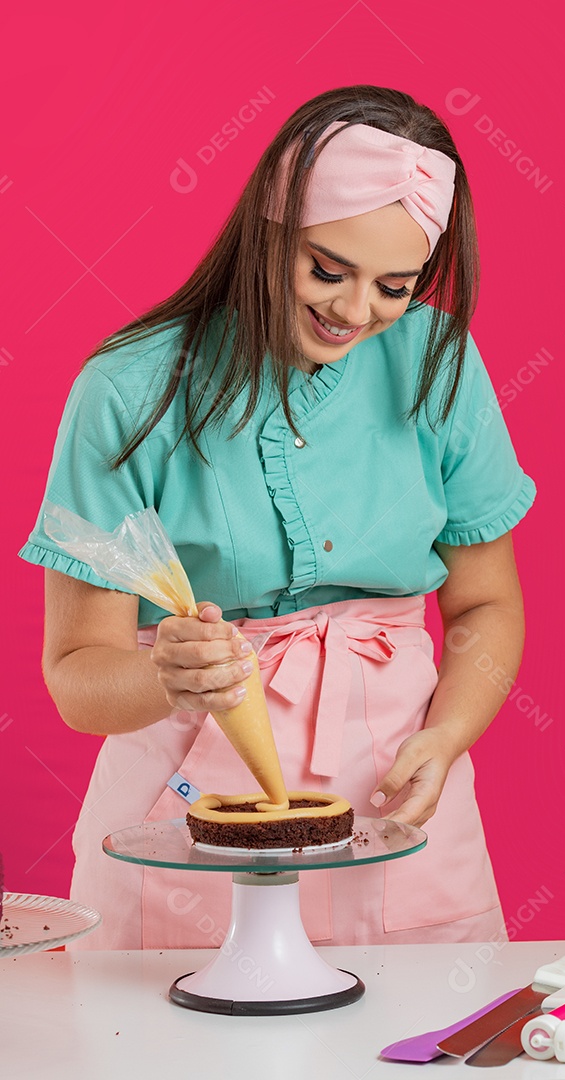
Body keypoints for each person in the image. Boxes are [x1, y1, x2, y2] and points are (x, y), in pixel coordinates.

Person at [19, 85, 536, 950]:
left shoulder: (438, 365)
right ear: (271, 222)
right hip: (177, 820)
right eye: (327, 269)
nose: (354, 310)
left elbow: (487, 605)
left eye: (395, 286)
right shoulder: (129, 391)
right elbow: (77, 675)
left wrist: (446, 737)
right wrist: (171, 677)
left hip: (394, 812)